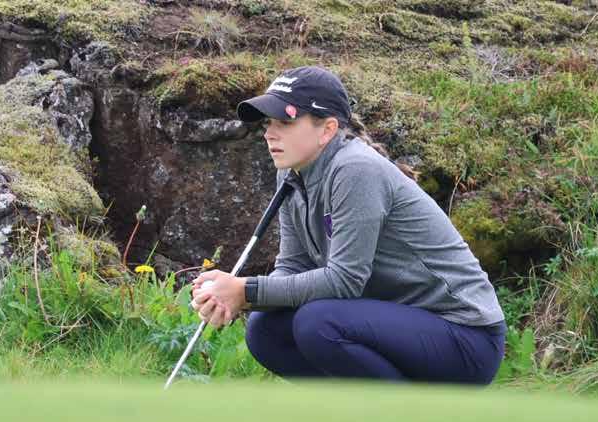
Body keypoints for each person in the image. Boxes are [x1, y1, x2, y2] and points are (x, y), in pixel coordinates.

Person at [190, 66, 506, 385]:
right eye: (269, 122)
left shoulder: (356, 170)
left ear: (327, 130)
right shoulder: (291, 173)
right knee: (265, 330)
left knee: (318, 323)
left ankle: (403, 413)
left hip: (465, 336)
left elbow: (345, 280)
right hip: (397, 324)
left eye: (285, 122)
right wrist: (235, 296)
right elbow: (294, 265)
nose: (270, 133)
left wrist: (246, 290)